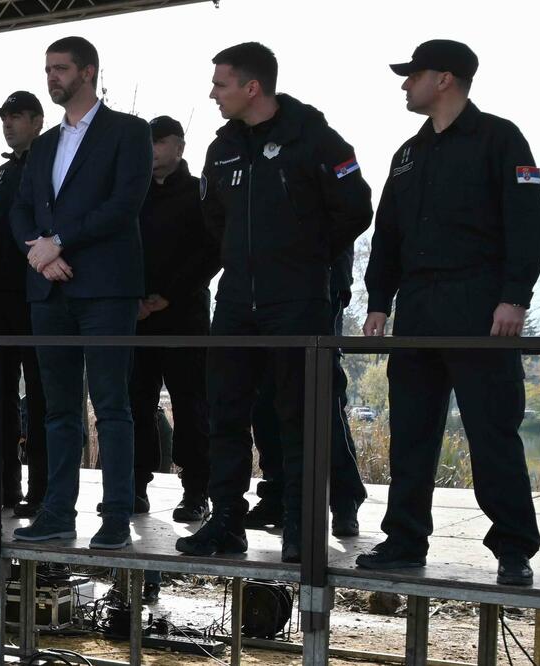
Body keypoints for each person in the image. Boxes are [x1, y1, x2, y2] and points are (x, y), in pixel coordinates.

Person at [357, 40, 540, 586]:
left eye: (412, 75)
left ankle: (514, 548)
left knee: (492, 430)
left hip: (480, 307)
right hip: (417, 308)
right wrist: (378, 301)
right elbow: (387, 235)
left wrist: (515, 297)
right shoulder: (407, 154)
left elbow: (529, 221)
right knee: (411, 431)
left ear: (444, 79)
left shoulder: (501, 139)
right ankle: (404, 538)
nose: (404, 84)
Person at [176, 42, 372, 563]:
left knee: (299, 416)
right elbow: (213, 217)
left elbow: (356, 208)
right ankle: (226, 521)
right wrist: (240, 258)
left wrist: (303, 257)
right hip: (236, 300)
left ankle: (302, 527)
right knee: (225, 412)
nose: (213, 94)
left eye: (220, 84)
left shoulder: (316, 139)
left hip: (298, 299)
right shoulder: (222, 148)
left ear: (252, 87)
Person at [10, 36, 153, 550]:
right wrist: (39, 253)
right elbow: (21, 207)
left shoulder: (129, 132)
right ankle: (57, 513)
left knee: (112, 406)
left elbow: (124, 204)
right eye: (48, 68)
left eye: (61, 68)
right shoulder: (45, 143)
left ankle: (115, 516)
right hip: (49, 289)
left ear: (88, 72)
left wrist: (60, 242)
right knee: (57, 409)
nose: (52, 77)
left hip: (106, 289)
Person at [129, 115, 218, 524]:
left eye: (159, 141)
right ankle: (135, 486)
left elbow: (212, 251)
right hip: (138, 316)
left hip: (185, 316)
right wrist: (136, 299)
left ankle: (197, 491)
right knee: (136, 403)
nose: (151, 150)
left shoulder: (200, 191)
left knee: (190, 404)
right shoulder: (134, 192)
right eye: (146, 142)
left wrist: (168, 296)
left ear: (179, 146)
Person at [246, 246, 367, 536]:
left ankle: (344, 499)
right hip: (267, 289)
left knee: (324, 398)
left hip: (320, 284)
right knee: (265, 401)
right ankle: (277, 494)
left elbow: (347, 223)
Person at [0, 90, 48, 518]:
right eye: (4, 117)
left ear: (37, 121)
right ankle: (2, 487)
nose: (8, 124)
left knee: (41, 398)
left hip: (39, 297)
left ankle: (42, 491)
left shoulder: (52, 163)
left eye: (16, 116)